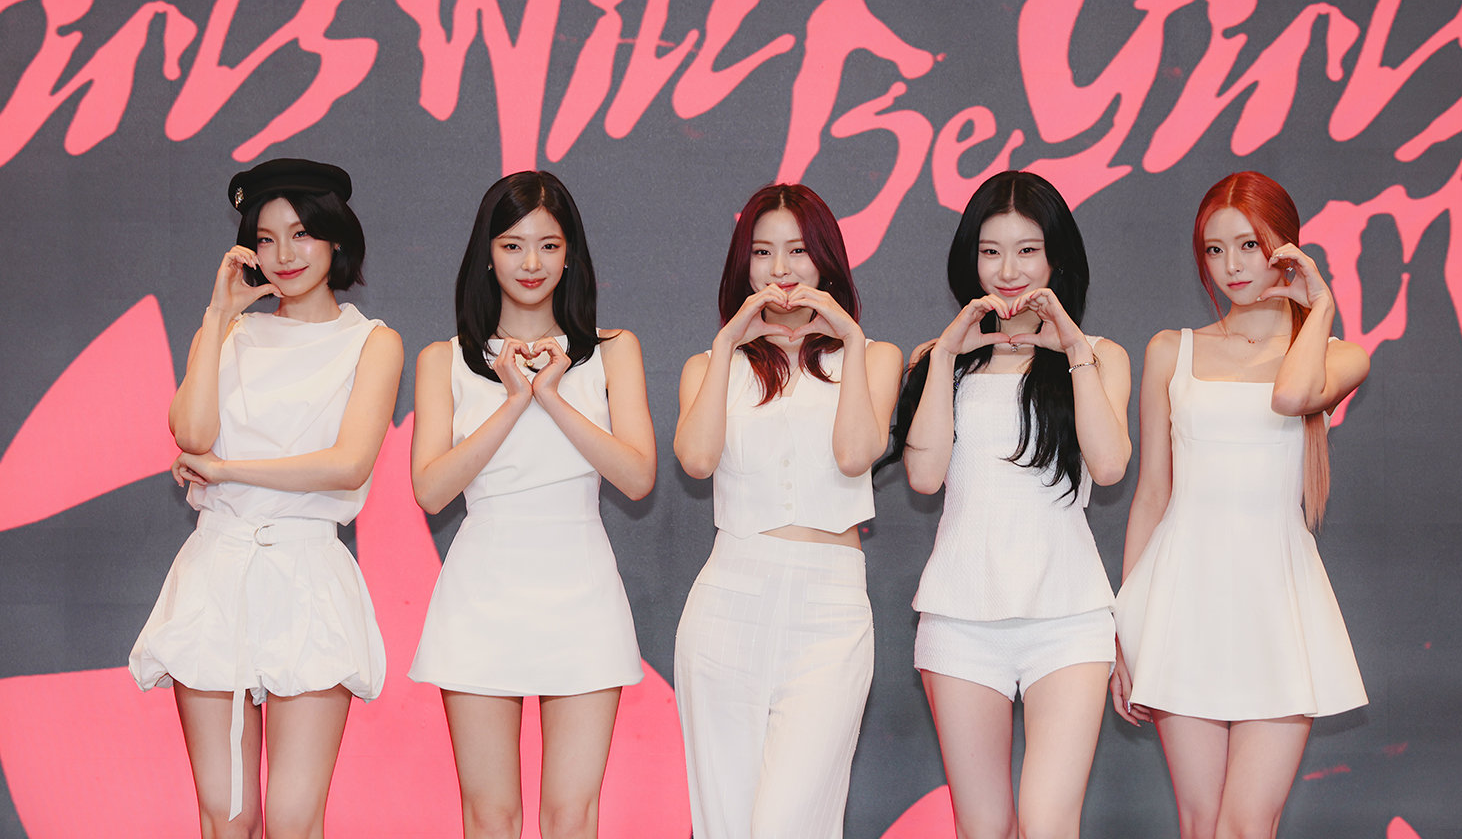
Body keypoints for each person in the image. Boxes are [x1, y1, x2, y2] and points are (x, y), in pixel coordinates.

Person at [129, 158, 403, 838]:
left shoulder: (371, 343)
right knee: (228, 816)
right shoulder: (226, 334)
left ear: (335, 239)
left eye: (302, 234)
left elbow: (347, 465)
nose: (285, 254)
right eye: (267, 238)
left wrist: (227, 471)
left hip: (306, 571)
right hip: (217, 571)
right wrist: (218, 314)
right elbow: (191, 433)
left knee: (291, 819)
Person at [1112, 171, 1369, 839]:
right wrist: (1125, 633)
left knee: (1247, 824)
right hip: (1181, 599)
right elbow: (1151, 495)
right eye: (1214, 249)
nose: (1231, 266)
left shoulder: (1338, 356)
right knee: (1201, 824)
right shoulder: (1170, 350)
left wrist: (1321, 307)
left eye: (1249, 245)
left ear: (1286, 248)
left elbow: (1291, 396)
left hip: (1275, 603)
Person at [407, 170, 655, 839]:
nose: (531, 263)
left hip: (582, 586)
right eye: (512, 245)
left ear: (569, 254)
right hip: (481, 590)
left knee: (571, 816)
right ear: (487, 255)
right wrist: (514, 398)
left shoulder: (612, 350)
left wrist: (552, 394)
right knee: (491, 816)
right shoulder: (444, 360)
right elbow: (431, 489)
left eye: (548, 245)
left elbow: (637, 476)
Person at [884, 170, 1131, 839]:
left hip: (1068, 617)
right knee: (984, 826)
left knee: (1048, 822)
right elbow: (924, 477)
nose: (1008, 270)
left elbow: (1110, 466)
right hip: (961, 618)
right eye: (991, 251)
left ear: (1056, 258)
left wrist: (1071, 348)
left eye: (1027, 250)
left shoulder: (1098, 356)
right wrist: (944, 357)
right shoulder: (940, 359)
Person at [672, 183, 903, 839]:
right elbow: (696, 459)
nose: (781, 269)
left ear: (825, 259)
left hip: (829, 611)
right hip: (728, 603)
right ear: (742, 265)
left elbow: (855, 454)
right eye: (762, 252)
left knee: (788, 823)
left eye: (798, 250)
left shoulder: (873, 357)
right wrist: (727, 346)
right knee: (726, 824)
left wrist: (850, 336)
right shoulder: (708, 366)